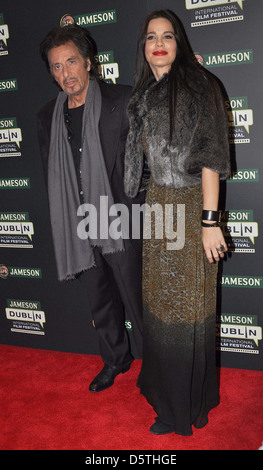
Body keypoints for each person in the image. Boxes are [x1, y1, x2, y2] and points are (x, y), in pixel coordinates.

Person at [124, 10, 230, 436]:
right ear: (144, 47)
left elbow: (210, 160)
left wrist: (210, 222)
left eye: (168, 35)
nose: (159, 43)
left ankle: (187, 407)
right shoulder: (144, 95)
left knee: (191, 310)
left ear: (180, 42)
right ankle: (166, 397)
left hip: (191, 208)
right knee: (163, 309)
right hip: (158, 211)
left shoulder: (200, 85)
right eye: (151, 36)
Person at [37, 24, 144, 392]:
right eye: (56, 67)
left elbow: (146, 164)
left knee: (139, 300)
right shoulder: (46, 118)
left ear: (88, 61)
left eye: (71, 62)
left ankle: (159, 366)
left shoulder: (123, 100)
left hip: (120, 219)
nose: (65, 73)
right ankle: (116, 359)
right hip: (79, 223)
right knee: (100, 301)